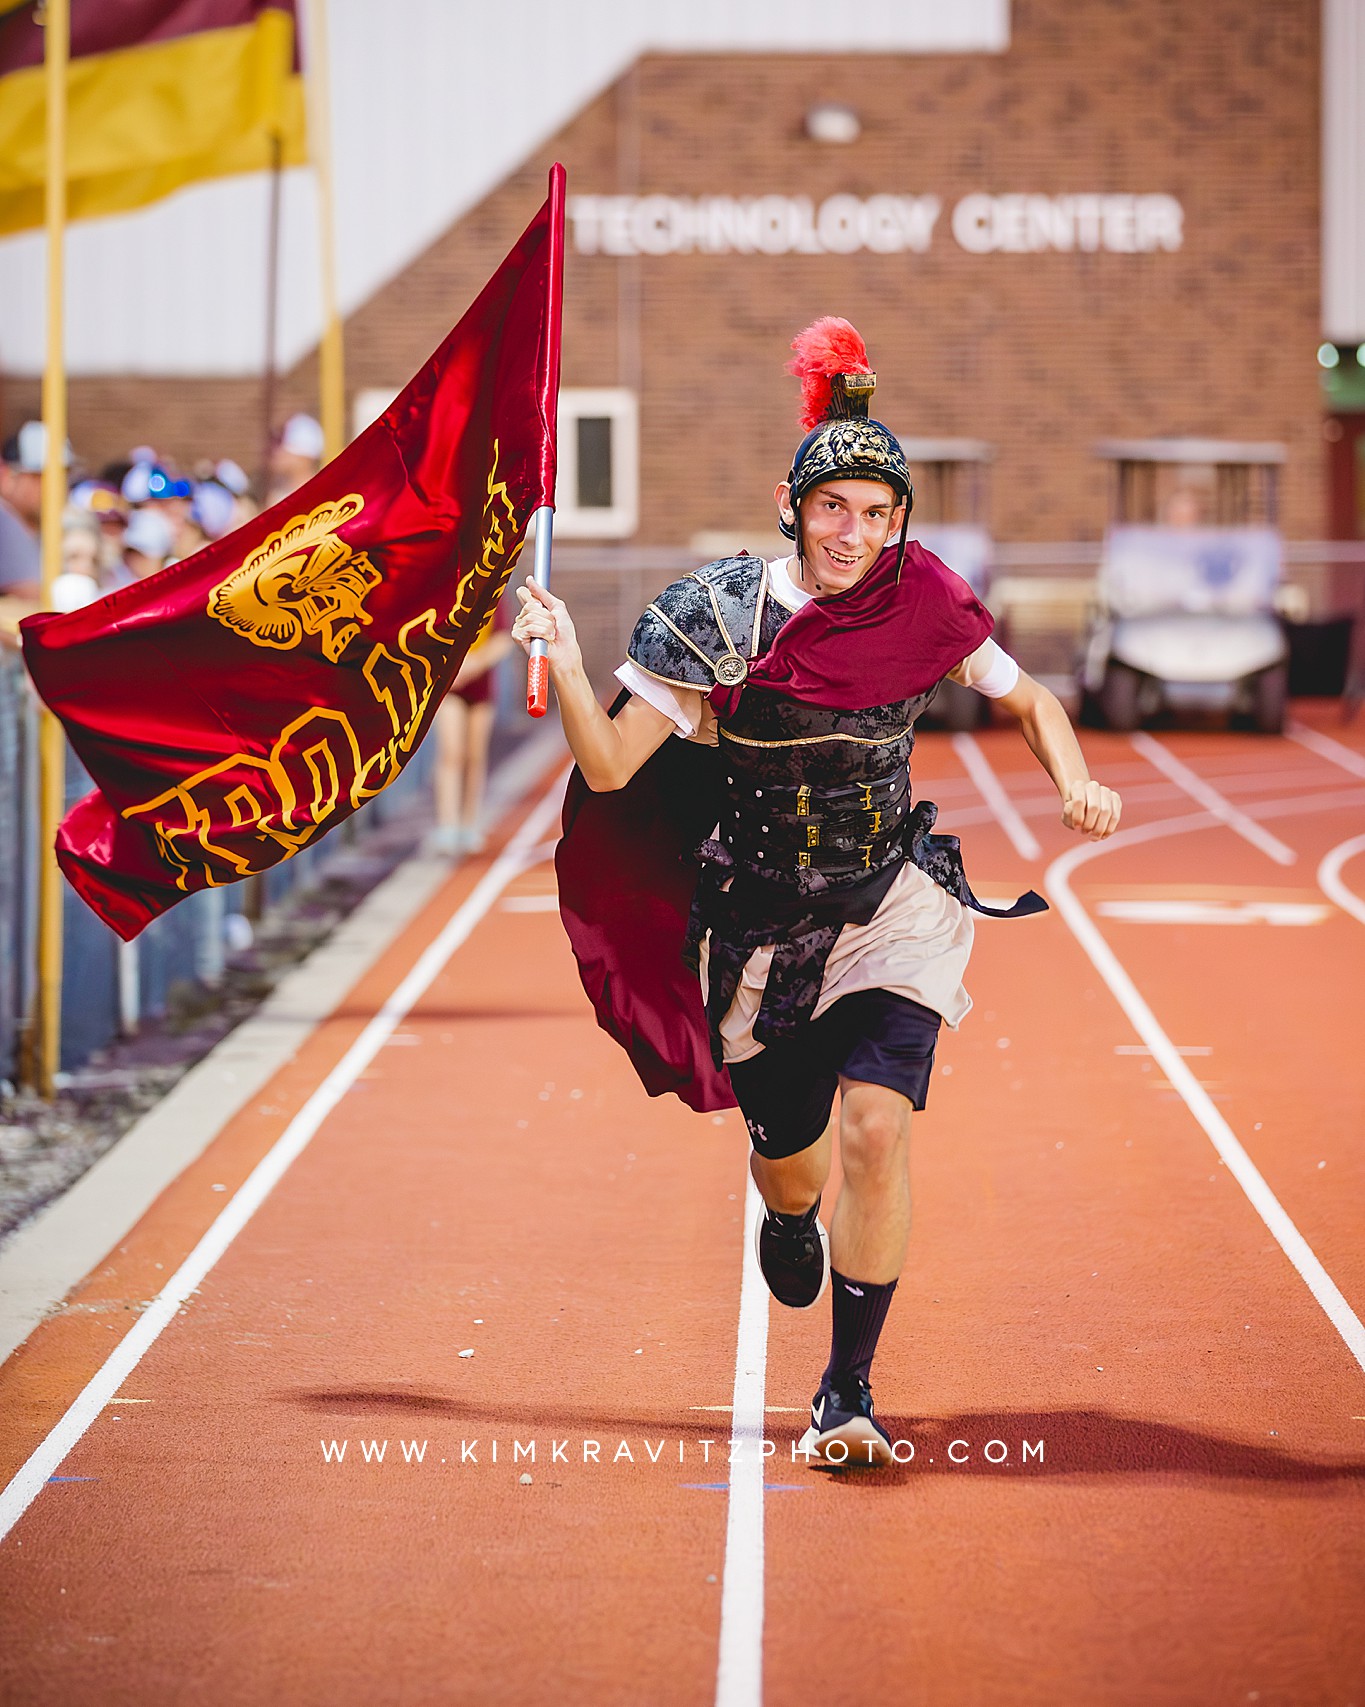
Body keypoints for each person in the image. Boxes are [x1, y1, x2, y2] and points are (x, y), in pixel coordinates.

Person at [511, 319, 1122, 1468]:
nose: (856, 534)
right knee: (791, 1158)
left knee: (880, 1131)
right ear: (794, 507)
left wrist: (1076, 778)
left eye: (879, 514)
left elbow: (1029, 697)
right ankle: (789, 1217)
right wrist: (568, 653)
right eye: (835, 508)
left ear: (901, 523)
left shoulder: (922, 601)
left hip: (892, 899)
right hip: (753, 926)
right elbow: (606, 769)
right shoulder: (721, 616)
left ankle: (846, 1395)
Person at [431, 611, 514, 854]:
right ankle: (447, 825)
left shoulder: (493, 595)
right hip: (450, 684)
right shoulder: (449, 594)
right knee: (451, 752)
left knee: (474, 755)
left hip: (480, 683)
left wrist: (476, 662)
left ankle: (468, 824)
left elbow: (502, 639)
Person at [0, 421, 49, 600]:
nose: (57, 486)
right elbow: (29, 593)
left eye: (64, 475)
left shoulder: (46, 528)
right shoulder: (3, 518)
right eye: (40, 477)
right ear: (8, 477)